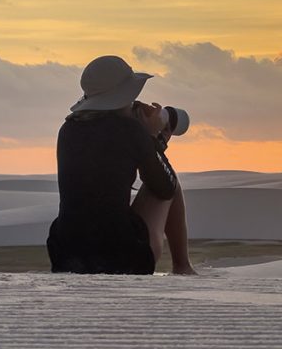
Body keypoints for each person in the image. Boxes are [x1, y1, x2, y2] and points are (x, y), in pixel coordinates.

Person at [46, 55, 196, 275]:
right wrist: (152, 138)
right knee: (172, 180)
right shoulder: (131, 131)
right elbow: (165, 187)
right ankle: (182, 266)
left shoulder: (67, 130)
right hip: (123, 258)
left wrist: (146, 139)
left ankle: (182, 266)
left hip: (67, 256)